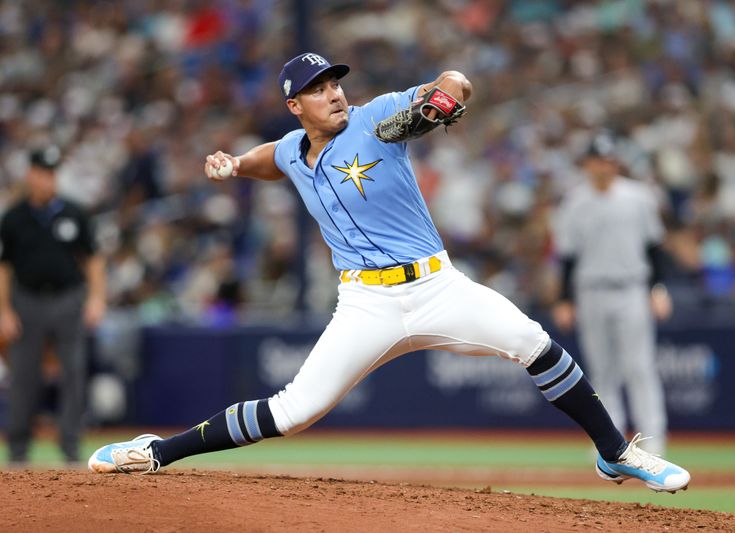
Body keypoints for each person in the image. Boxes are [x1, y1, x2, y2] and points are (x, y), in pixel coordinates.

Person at [88, 53, 690, 492]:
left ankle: (614, 452)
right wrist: (235, 166)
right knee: (293, 412)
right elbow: (271, 159)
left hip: (436, 287)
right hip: (364, 306)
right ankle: (157, 452)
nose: (334, 94)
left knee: (534, 343)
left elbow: (451, 82)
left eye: (335, 83)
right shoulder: (295, 150)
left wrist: (448, 94)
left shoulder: (378, 121)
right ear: (296, 106)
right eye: (319, 89)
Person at [552, 130, 672, 454]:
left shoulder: (638, 197)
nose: (604, 167)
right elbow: (567, 257)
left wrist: (658, 289)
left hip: (631, 288)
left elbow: (655, 248)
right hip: (590, 290)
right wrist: (564, 299)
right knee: (602, 369)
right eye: (598, 161)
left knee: (639, 365)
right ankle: (609, 440)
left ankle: (653, 439)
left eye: (609, 160)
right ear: (588, 165)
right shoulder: (575, 202)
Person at [0, 145, 106, 465]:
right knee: (24, 375)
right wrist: (3, 310)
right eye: (44, 173)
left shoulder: (74, 213)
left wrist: (97, 299)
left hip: (68, 299)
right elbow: (4, 267)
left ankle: (71, 447)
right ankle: (18, 450)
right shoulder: (14, 217)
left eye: (53, 173)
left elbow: (93, 260)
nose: (49, 180)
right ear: (31, 174)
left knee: (73, 372)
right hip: (27, 301)